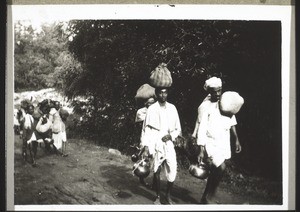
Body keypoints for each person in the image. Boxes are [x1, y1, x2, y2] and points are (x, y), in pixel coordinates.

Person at [193, 77, 242, 204]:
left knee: (216, 170)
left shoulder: (225, 103)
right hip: (210, 142)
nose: (217, 94)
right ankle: (210, 196)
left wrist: (236, 139)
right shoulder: (205, 107)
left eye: (219, 90)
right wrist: (201, 150)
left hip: (223, 142)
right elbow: (201, 128)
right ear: (209, 91)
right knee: (221, 168)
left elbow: (232, 122)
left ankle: (206, 197)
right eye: (214, 91)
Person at [141, 87, 182, 204]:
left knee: (172, 168)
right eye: (160, 92)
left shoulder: (172, 108)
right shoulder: (152, 109)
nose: (163, 95)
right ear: (156, 94)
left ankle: (168, 195)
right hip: (155, 141)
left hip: (168, 142)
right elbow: (146, 129)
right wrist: (146, 146)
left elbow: (177, 129)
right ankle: (158, 196)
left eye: (165, 92)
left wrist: (171, 136)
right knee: (156, 169)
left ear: (167, 93)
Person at [134, 97, 156, 187]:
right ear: (145, 103)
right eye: (149, 103)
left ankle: (155, 182)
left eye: (153, 103)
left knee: (155, 161)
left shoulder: (156, 111)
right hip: (144, 136)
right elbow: (141, 125)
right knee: (144, 159)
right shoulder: (141, 112)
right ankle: (141, 177)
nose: (151, 104)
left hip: (154, 138)